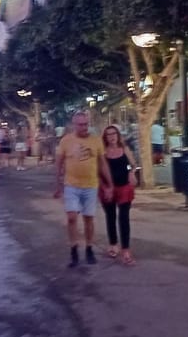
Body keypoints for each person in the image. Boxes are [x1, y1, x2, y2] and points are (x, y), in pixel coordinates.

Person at [54, 112, 113, 268]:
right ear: (74, 125)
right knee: (72, 218)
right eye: (80, 124)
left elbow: (102, 164)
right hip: (71, 185)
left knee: (88, 219)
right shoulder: (66, 141)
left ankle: (89, 248)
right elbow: (58, 163)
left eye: (86, 124)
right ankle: (74, 249)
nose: (84, 127)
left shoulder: (96, 141)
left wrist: (109, 184)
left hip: (91, 186)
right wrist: (57, 185)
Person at [101, 125, 137, 264]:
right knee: (110, 216)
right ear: (105, 137)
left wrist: (130, 172)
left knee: (124, 218)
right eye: (109, 134)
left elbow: (131, 165)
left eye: (114, 133)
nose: (112, 136)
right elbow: (99, 171)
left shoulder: (124, 149)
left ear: (118, 135)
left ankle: (126, 249)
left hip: (124, 188)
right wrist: (105, 187)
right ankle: (113, 244)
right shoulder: (103, 152)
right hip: (108, 188)